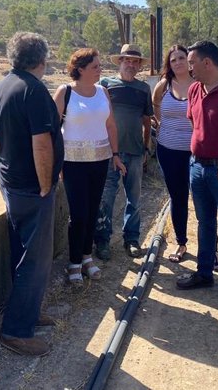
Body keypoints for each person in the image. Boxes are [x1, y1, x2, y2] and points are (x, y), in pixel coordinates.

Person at [0, 32, 64, 357]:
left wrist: (8, 152)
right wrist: (44, 184)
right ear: (42, 59)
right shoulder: (34, 90)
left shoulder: (3, 86)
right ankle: (15, 331)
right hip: (31, 189)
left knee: (22, 252)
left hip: (11, 184)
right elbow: (41, 143)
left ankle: (29, 312)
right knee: (36, 260)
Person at [175, 40, 218, 312]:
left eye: (191, 62)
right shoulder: (194, 89)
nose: (188, 67)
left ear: (207, 63)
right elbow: (194, 122)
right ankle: (204, 273)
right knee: (204, 222)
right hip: (197, 166)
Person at [52, 48, 126, 285]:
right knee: (79, 214)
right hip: (73, 164)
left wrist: (115, 154)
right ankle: (73, 263)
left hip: (100, 161)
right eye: (95, 66)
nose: (100, 70)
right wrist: (56, 162)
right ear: (80, 69)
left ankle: (86, 257)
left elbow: (111, 125)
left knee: (93, 212)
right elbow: (53, 130)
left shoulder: (103, 92)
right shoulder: (65, 92)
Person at [94, 44, 154, 260]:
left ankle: (132, 239)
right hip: (109, 154)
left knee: (134, 199)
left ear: (139, 66)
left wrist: (146, 146)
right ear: (119, 62)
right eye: (127, 60)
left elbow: (147, 120)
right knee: (106, 198)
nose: (131, 64)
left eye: (135, 61)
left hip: (135, 153)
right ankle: (102, 241)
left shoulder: (143, 89)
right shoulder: (105, 85)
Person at [152, 45, 193, 263]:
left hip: (196, 152)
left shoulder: (199, 85)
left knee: (205, 200)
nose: (177, 62)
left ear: (189, 60)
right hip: (167, 151)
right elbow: (155, 104)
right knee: (178, 198)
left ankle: (211, 249)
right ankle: (181, 242)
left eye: (181, 58)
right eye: (173, 59)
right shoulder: (163, 86)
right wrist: (161, 125)